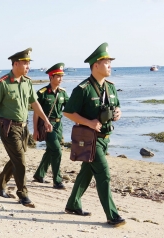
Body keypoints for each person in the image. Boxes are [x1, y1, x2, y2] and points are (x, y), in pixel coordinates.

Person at [62, 42, 125, 227]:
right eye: (107, 63)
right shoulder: (83, 89)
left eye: (110, 63)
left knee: (87, 172)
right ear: (95, 65)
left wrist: (118, 113)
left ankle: (73, 204)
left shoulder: (111, 87)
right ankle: (112, 215)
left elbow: (116, 106)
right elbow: (68, 112)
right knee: (103, 174)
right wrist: (89, 122)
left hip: (105, 138)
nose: (110, 66)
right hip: (90, 140)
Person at [0, 48, 52, 207]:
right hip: (9, 127)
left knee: (17, 158)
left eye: (29, 63)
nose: (28, 66)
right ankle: (23, 194)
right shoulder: (3, 83)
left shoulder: (27, 82)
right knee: (21, 161)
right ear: (16, 64)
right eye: (25, 63)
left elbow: (34, 103)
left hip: (24, 128)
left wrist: (46, 120)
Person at [32, 63, 69, 189]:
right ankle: (57, 180)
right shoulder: (42, 93)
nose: (60, 79)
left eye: (61, 76)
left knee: (50, 150)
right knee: (57, 151)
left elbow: (70, 109)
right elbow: (36, 112)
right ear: (51, 77)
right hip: (47, 125)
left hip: (59, 125)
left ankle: (39, 174)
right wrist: (35, 130)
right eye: (58, 76)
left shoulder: (63, 93)